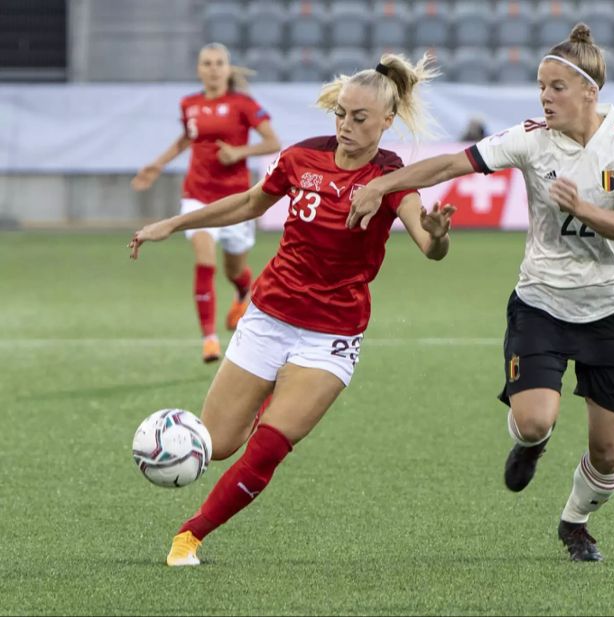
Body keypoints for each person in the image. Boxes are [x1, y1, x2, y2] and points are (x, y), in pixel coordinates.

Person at [128, 53, 456, 566]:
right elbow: (251, 202)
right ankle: (269, 395)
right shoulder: (303, 157)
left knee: (268, 447)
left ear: (387, 121)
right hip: (268, 316)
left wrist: (437, 238)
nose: (346, 125)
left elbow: (426, 242)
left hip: (330, 335)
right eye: (341, 114)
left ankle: (189, 536)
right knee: (216, 446)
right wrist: (174, 223)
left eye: (360, 118)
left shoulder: (392, 178)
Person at [348, 24, 614, 562]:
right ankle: (531, 444)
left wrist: (580, 207)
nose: (544, 96)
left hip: (611, 310)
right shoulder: (531, 138)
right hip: (541, 303)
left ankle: (574, 521)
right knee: (536, 419)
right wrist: (381, 184)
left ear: (589, 91)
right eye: (540, 85)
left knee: (607, 455)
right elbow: (449, 164)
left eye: (556, 87)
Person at [131, 42, 282, 363]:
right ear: (199, 69)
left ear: (227, 69)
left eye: (218, 63)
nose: (213, 69)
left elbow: (273, 141)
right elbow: (188, 137)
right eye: (207, 63)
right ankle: (209, 339)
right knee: (204, 260)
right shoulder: (189, 103)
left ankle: (243, 291)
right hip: (197, 195)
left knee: (234, 270)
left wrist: (240, 152)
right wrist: (157, 164)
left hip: (235, 200)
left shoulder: (242, 104)